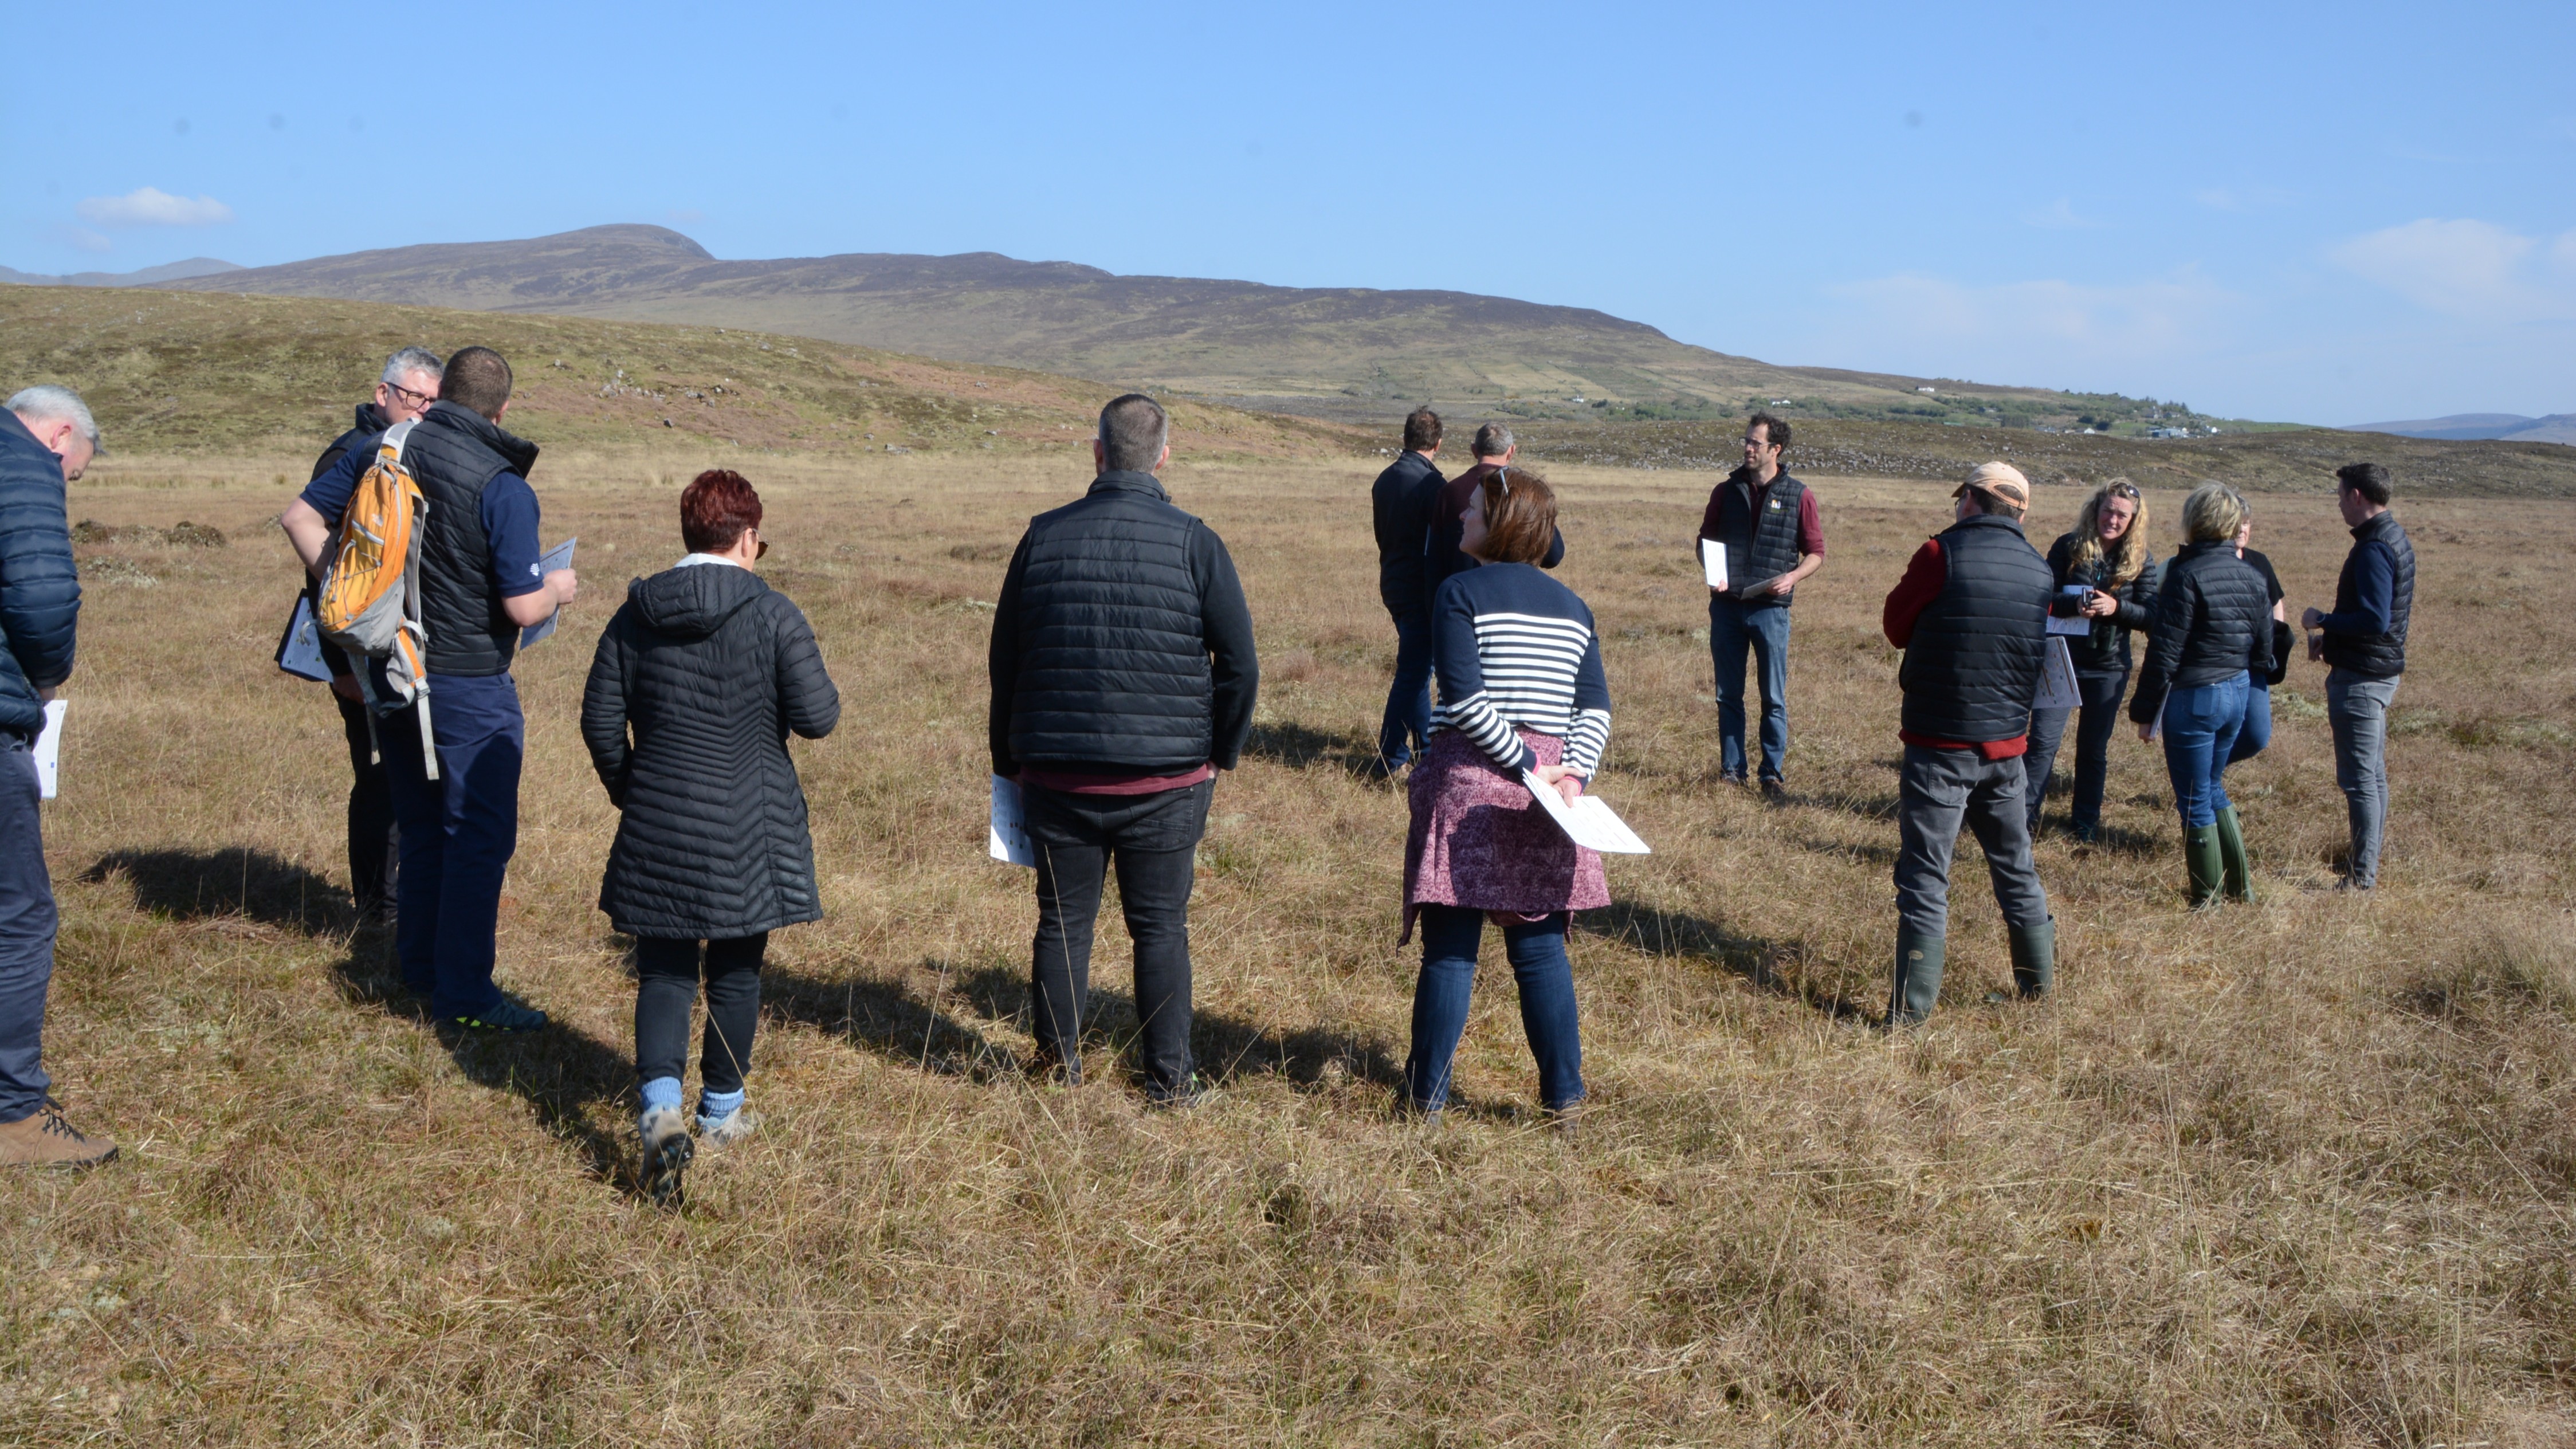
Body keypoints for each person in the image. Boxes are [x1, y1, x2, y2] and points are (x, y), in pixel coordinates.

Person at [285, 347, 576, 1030]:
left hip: (391, 672)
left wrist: (348, 591)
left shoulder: (381, 451)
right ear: (502, 410)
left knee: (418, 826)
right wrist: (558, 587)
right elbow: (524, 608)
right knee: (477, 839)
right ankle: (467, 997)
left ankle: (417, 970)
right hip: (470, 686)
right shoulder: (504, 486)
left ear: (439, 395)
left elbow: (299, 517)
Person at [987, 394, 1258, 1105]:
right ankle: (1169, 1081)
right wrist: (1216, 755)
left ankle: (1057, 1071)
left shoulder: (1041, 537)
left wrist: (1007, 761)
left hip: (1054, 774)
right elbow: (1240, 665)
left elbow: (1004, 663)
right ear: (1164, 455)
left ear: (1097, 452)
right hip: (1167, 781)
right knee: (1160, 928)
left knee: (1061, 921)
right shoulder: (1195, 541)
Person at [582, 470, 839, 1205]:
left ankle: (661, 1115)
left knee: (662, 972)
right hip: (751, 829)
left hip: (659, 822)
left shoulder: (634, 617)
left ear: (689, 534)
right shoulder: (775, 613)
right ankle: (721, 1115)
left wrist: (633, 792)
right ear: (749, 538)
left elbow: (600, 723)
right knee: (736, 970)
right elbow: (819, 718)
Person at [1401, 466, 1607, 1118]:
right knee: (1540, 946)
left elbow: (1463, 701)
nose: (1462, 518)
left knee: (1451, 950)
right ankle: (1564, 1100)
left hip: (1474, 777)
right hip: (1548, 792)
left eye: (1472, 512)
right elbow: (1594, 709)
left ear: (1500, 522)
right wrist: (1569, 774)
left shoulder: (1459, 592)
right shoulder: (1575, 608)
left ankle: (1425, 1101)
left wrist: (1520, 763)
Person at [1878, 463, 2056, 1026]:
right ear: (2020, 513)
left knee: (1925, 876)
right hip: (2006, 746)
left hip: (1939, 742)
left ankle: (1910, 1015)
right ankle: (2037, 993)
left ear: (1972, 501)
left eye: (1962, 499)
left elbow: (1894, 626)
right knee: (2014, 865)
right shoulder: (2038, 570)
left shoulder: (1939, 555)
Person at [280, 347, 445, 922]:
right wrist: (343, 655)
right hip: (356, 649)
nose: (423, 411)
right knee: (380, 778)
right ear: (383, 395)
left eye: (433, 401)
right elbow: (314, 557)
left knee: (406, 773)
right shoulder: (351, 456)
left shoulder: (400, 453)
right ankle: (379, 909)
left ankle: (397, 900)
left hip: (393, 644)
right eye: (414, 398)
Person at [0, 386, 114, 1167]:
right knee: (20, 914)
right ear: (62, 437)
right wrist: (42, 685)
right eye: (74, 474)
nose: (68, 484)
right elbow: (41, 595)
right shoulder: (23, 460)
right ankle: (14, 1116)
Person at [2129, 483, 2274, 908]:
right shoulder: (2253, 574)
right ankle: (2239, 889)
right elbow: (2265, 649)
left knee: (2194, 799)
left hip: (2195, 696)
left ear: (2195, 520)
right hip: (2238, 690)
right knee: (2212, 787)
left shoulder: (2186, 574)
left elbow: (2165, 649)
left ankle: (2205, 899)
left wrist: (2143, 710)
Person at [1695, 411, 1825, 794]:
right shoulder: (1725, 490)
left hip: (1772, 610)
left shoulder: (1799, 495)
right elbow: (1705, 539)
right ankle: (1732, 772)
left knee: (1773, 695)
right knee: (1728, 693)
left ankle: (1772, 775)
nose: (1748, 448)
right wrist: (1712, 572)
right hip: (1727, 605)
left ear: (1776, 449)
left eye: (1756, 442)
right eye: (1747, 441)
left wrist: (1792, 577)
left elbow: (1816, 552)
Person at [2023, 479, 2159, 841]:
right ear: (2096, 510)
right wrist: (2073, 605)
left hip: (2109, 668)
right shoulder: (2068, 547)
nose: (2113, 520)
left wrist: (2117, 608)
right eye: (2108, 511)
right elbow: (2041, 596)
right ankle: (2021, 821)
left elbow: (2152, 617)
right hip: (2061, 659)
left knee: (2093, 750)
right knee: (2041, 743)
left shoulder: (2142, 560)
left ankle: (2083, 827)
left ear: (2133, 520)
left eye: (2121, 515)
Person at [2300, 462, 2414, 891]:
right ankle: (2365, 868)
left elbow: (2373, 618)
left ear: (2357, 497)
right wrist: (2332, 639)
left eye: (2340, 494)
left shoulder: (2374, 548)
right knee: (2373, 775)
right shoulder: (2392, 537)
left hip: (2363, 678)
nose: (2338, 503)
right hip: (2374, 669)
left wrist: (2323, 619)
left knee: (2360, 779)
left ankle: (2361, 878)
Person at [1369, 407, 1446, 774]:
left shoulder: (1384, 479)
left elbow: (1382, 536)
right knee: (1413, 674)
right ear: (1438, 443)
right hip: (1421, 590)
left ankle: (1424, 751)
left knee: (1417, 671)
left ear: (1406, 437)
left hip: (1393, 583)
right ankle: (1391, 755)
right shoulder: (1433, 486)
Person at [1422, 423, 1564, 602]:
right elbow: (1554, 555)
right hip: (1513, 601)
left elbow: (1434, 563)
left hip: (1460, 599)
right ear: (1511, 451)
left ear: (1474, 450)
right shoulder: (1521, 494)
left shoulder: (1449, 493)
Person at [2224, 508, 2291, 767]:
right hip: (2218, 662)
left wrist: (2274, 637)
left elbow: (2276, 602)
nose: (2242, 529)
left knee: (2257, 735)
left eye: (2246, 523)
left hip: (2254, 662)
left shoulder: (2259, 562)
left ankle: (2208, 770)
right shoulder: (2206, 563)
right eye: (2235, 523)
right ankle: (2203, 782)